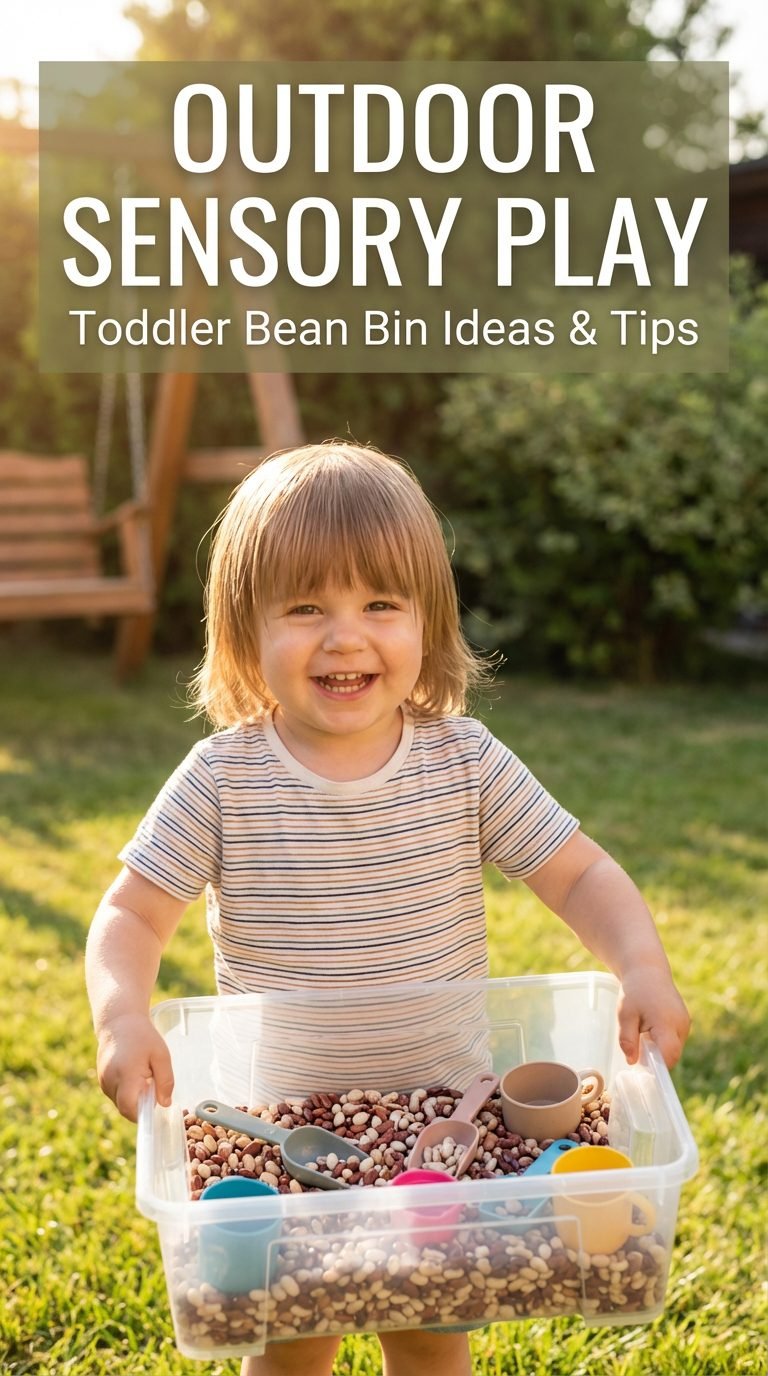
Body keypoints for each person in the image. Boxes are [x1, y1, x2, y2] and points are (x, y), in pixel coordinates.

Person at [85, 441, 690, 1376]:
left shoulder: (465, 760)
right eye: (305, 608)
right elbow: (131, 914)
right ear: (245, 633)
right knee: (296, 1334)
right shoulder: (222, 781)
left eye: (379, 604)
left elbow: (578, 874)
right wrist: (123, 1013)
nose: (344, 636)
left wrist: (640, 966)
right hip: (283, 1128)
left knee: (429, 1328)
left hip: (446, 1114)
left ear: (427, 623)